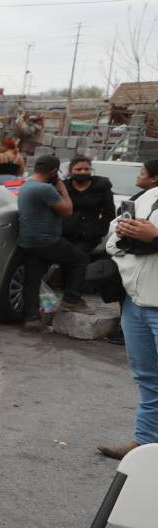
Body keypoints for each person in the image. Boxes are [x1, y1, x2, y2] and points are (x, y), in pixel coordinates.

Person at [100, 182, 158, 459]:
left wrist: (155, 238)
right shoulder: (147, 196)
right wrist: (126, 235)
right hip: (135, 303)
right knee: (147, 378)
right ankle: (145, 445)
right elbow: (112, 242)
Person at [18, 156, 91, 331]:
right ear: (54, 172)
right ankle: (71, 299)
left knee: (32, 280)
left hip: (28, 241)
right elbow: (67, 210)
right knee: (80, 259)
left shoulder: (27, 185)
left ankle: (32, 318)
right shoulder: (45, 189)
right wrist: (62, 188)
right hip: (46, 241)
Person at [62, 156, 116, 256]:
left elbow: (109, 212)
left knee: (75, 257)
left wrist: (98, 231)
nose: (83, 172)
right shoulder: (63, 187)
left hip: (89, 236)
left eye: (86, 169)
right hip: (65, 235)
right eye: (78, 169)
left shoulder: (101, 187)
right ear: (70, 171)